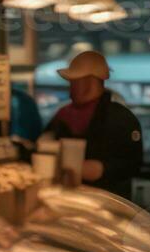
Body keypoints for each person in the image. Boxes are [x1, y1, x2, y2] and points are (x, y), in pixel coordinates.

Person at [43, 51, 144, 199]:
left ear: (91, 81)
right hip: (67, 199)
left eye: (75, 82)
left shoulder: (121, 118)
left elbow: (133, 163)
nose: (70, 88)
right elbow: (43, 145)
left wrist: (103, 169)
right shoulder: (63, 115)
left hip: (108, 203)